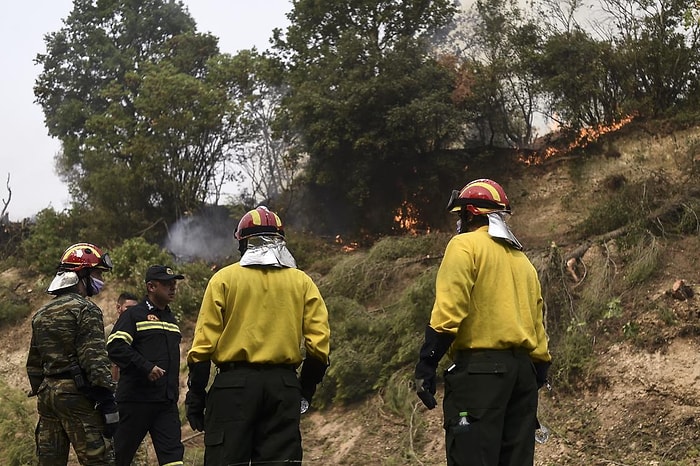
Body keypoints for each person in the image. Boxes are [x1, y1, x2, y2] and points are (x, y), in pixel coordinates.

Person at [414, 179, 552, 466]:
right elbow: (537, 323)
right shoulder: (522, 261)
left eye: (461, 216)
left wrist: (427, 362)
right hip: (523, 376)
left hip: (480, 376)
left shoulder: (464, 246)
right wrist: (538, 368)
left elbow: (449, 310)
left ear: (469, 214)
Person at [185, 206, 331, 466]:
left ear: (242, 242)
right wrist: (304, 389)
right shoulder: (302, 282)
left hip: (233, 388)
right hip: (283, 388)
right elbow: (319, 347)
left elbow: (203, 347)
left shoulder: (223, 280)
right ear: (280, 242)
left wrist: (196, 397)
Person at [26, 242, 118, 465]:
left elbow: (34, 365)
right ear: (82, 274)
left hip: (48, 397)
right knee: (100, 459)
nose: (101, 280)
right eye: (97, 273)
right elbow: (94, 360)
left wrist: (45, 390)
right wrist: (107, 400)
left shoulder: (41, 314)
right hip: (77, 395)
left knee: (49, 461)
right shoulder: (86, 310)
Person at [106, 265, 185, 466]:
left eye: (174, 284)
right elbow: (115, 346)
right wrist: (145, 367)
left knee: (174, 460)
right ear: (151, 286)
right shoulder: (133, 315)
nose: (172, 288)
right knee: (118, 458)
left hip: (165, 403)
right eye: (167, 284)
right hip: (135, 402)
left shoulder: (171, 319)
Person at [103, 292, 150, 466]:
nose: (131, 312)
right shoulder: (107, 331)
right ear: (118, 308)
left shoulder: (139, 332)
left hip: (133, 396)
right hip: (110, 396)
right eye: (128, 308)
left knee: (136, 450)